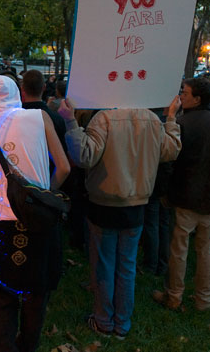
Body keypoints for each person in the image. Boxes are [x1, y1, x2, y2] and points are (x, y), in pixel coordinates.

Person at [59, 93, 181, 339]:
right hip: (136, 204)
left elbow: (83, 156)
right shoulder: (151, 119)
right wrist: (171, 118)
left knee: (104, 264)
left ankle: (104, 321)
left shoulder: (103, 118)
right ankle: (122, 324)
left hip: (104, 204)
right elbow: (170, 150)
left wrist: (71, 123)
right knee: (126, 266)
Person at [0, 75, 70, 352]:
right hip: (39, 222)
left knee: (3, 298)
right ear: (17, 94)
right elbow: (64, 168)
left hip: (0, 226)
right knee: (37, 295)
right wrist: (41, 195)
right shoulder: (39, 118)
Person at [153, 77, 210, 311]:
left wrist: (165, 191)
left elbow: (168, 162)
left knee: (180, 250)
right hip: (209, 199)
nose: (181, 96)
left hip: (185, 197)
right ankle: (205, 299)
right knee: (205, 250)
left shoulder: (181, 124)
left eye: (185, 93)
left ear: (197, 98)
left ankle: (174, 295)